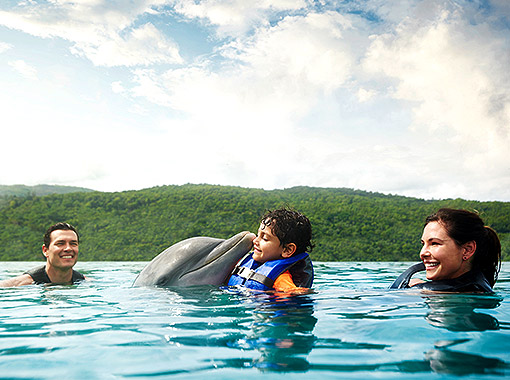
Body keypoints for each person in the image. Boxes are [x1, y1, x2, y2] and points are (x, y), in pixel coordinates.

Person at [390, 208, 501, 292]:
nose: (422, 253)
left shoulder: (432, 293)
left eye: (434, 243)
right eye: (423, 244)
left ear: (467, 250)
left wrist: (419, 289)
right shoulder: (477, 286)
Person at [227, 208, 314, 291]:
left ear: (287, 250)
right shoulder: (255, 265)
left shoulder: (281, 278)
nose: (255, 241)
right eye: (258, 235)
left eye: (264, 238)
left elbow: (292, 293)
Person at [0, 222, 85, 287]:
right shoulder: (16, 285)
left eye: (73, 244)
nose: (68, 248)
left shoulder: (86, 283)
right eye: (60, 243)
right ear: (45, 250)